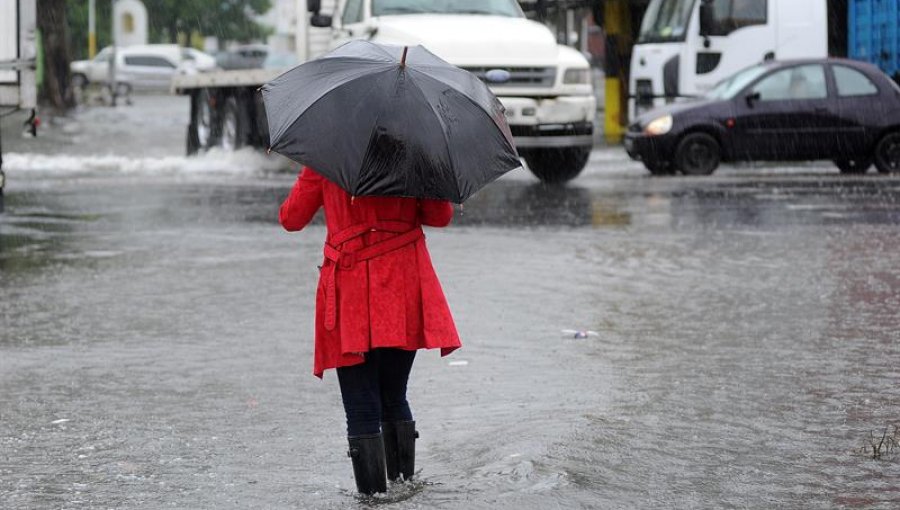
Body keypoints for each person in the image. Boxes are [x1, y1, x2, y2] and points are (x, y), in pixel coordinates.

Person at [279, 166, 462, 495]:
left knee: (362, 406)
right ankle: (403, 490)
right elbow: (440, 215)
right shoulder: (411, 151)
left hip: (351, 291)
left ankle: (373, 501)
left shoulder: (326, 154)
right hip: (403, 284)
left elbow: (291, 218)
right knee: (394, 396)